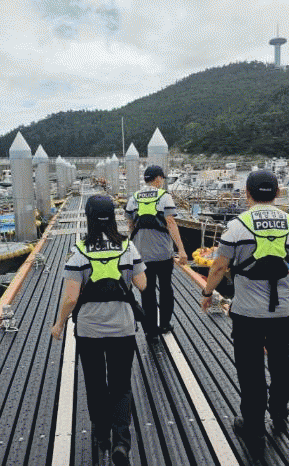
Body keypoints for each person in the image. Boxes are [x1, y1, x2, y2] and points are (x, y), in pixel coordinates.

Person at [200, 169, 289, 454]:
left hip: (247, 313)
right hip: (283, 312)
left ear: (247, 193)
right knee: (280, 363)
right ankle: (279, 413)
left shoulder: (237, 226)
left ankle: (253, 425)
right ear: (277, 193)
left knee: (250, 369)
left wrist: (207, 293)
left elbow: (219, 266)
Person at [51, 195, 146, 466]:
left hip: (89, 330)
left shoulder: (79, 251)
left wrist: (59, 324)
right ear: (113, 216)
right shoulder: (127, 247)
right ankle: (121, 442)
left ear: (89, 218)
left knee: (95, 384)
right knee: (120, 385)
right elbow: (142, 284)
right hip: (123, 328)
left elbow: (70, 298)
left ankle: (102, 435)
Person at [125, 165, 188, 340]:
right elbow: (171, 223)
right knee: (166, 289)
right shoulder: (164, 196)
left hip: (142, 255)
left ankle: (151, 331)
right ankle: (165, 324)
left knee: (147, 292)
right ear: (158, 178)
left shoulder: (134, 198)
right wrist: (181, 249)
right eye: (162, 178)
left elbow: (130, 225)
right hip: (163, 254)